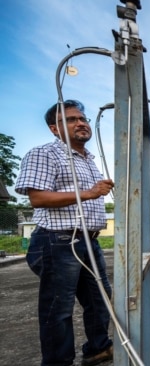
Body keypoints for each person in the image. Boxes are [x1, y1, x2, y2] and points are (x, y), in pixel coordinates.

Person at [15, 100, 115, 366]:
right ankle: (58, 361)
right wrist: (90, 192)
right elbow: (37, 198)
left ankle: (97, 348)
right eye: (70, 119)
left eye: (82, 118)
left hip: (87, 241)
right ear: (54, 129)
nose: (80, 123)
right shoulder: (45, 154)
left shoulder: (88, 159)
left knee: (99, 299)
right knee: (58, 309)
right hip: (57, 241)